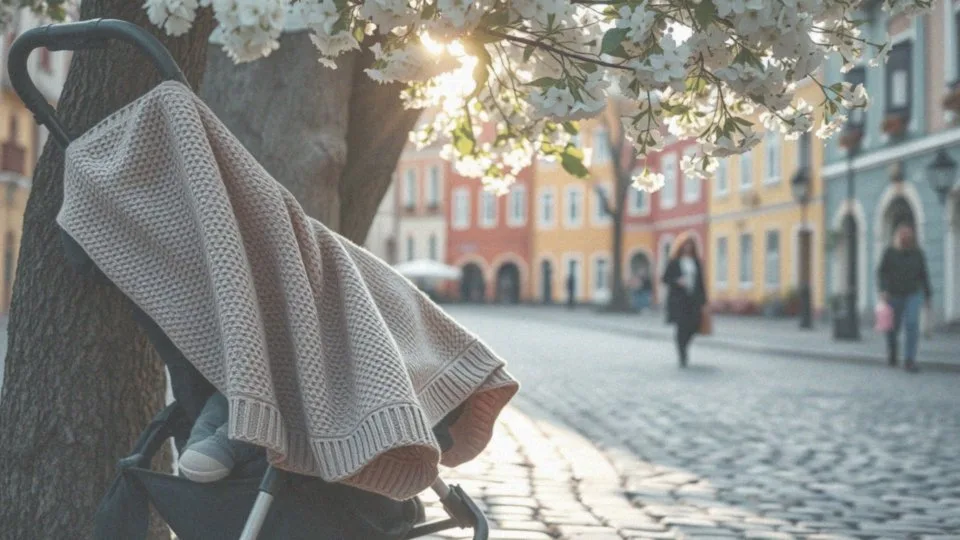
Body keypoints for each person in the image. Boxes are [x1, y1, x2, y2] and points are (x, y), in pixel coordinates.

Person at [877, 223, 932, 373]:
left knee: (912, 324)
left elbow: (924, 275)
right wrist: (883, 289)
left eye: (908, 235)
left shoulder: (918, 253)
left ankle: (909, 360)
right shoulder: (890, 252)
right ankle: (893, 352)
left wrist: (928, 295)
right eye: (903, 235)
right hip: (893, 295)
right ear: (897, 236)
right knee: (892, 329)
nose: (905, 237)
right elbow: (882, 272)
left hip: (912, 295)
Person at [661, 232, 707, 368]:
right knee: (681, 327)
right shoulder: (674, 262)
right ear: (681, 246)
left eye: (690, 245)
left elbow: (701, 282)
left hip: (694, 299)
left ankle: (684, 347)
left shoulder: (696, 262)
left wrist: (704, 301)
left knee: (694, 326)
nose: (688, 247)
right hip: (679, 300)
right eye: (686, 245)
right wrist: (677, 281)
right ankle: (682, 354)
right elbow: (665, 278)